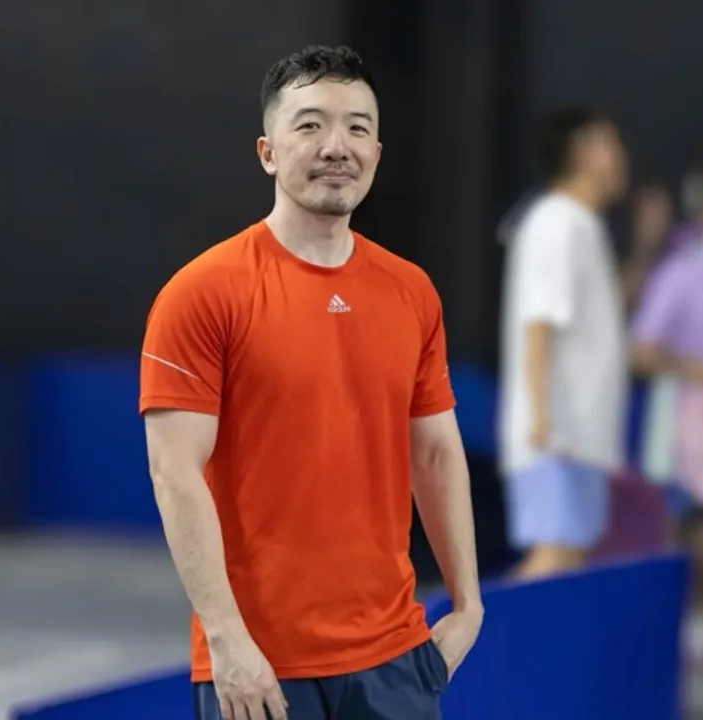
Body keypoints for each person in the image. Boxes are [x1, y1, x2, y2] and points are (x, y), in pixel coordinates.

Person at [139, 45, 483, 720]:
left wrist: (468, 604)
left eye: (357, 127)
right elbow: (174, 472)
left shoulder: (411, 292)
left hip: (395, 659)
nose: (336, 146)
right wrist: (227, 640)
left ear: (376, 153)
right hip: (260, 668)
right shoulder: (201, 293)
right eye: (311, 125)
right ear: (268, 152)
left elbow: (436, 453)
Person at [499, 109, 630, 578]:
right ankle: (475, 629)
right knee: (550, 561)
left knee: (569, 561)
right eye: (610, 143)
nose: (622, 156)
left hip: (581, 435)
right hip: (557, 434)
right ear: (582, 152)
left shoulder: (584, 225)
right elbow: (539, 322)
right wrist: (542, 420)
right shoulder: (556, 223)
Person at [632, 152, 703, 668]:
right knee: (699, 531)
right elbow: (640, 349)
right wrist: (696, 368)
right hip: (697, 429)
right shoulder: (683, 272)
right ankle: (691, 625)